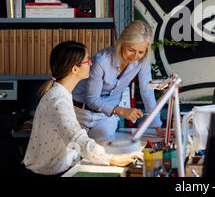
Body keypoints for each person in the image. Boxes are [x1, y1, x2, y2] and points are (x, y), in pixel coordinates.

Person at [22, 41, 143, 177]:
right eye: (88, 60)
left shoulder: (62, 93)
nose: (91, 63)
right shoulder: (58, 100)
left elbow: (73, 140)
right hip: (48, 174)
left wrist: (113, 146)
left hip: (59, 169)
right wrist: (114, 159)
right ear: (75, 69)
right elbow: (77, 140)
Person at [72, 20, 166, 142]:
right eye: (131, 50)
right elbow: (92, 100)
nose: (135, 56)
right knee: (75, 150)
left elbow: (147, 93)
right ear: (122, 43)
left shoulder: (142, 62)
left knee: (99, 148)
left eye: (141, 52)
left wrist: (158, 129)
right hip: (80, 112)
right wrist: (121, 110)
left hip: (106, 118)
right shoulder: (102, 60)